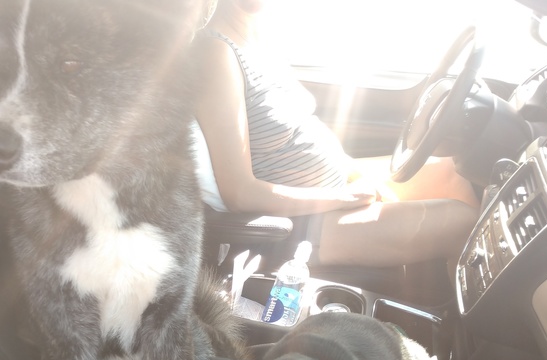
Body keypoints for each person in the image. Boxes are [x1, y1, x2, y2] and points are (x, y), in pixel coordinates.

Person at [194, 0, 480, 268]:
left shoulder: (259, 35)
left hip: (338, 188)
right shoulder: (215, 53)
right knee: (462, 222)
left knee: (453, 171)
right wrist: (342, 198)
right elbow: (240, 193)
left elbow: (304, 128)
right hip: (301, 223)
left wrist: (355, 175)